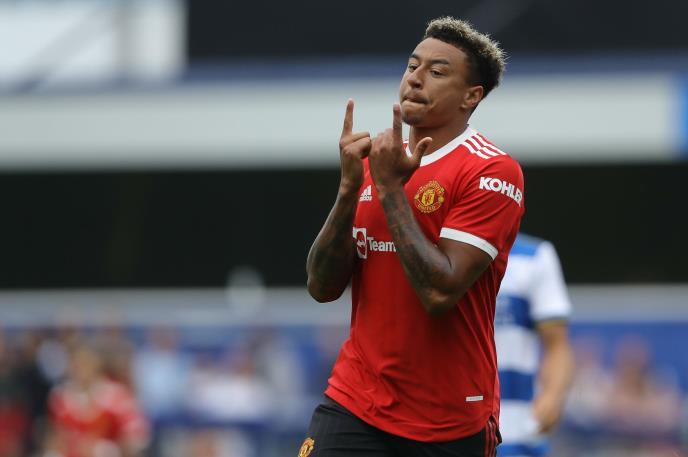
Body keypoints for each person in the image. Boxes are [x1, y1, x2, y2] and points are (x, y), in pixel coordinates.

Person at [304, 16, 524, 457]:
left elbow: (440, 291)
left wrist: (389, 190)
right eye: (412, 66)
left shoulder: (491, 170)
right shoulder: (376, 164)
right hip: (355, 400)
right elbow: (322, 287)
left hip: (448, 419)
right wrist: (348, 188)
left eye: (437, 71)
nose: (416, 79)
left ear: (471, 96)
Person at [494, 234, 575, 456]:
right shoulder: (428, 249)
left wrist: (552, 396)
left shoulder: (534, 257)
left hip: (517, 434)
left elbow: (557, 346)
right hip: (446, 431)